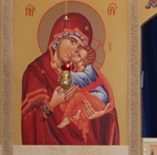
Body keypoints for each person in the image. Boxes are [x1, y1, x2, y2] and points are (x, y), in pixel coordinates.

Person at [21, 12, 119, 145]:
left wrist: (99, 114)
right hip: (51, 151)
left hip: (86, 149)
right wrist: (52, 104)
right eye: (72, 42)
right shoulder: (37, 72)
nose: (74, 50)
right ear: (57, 38)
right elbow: (30, 122)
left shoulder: (80, 69)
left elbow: (108, 109)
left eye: (79, 47)